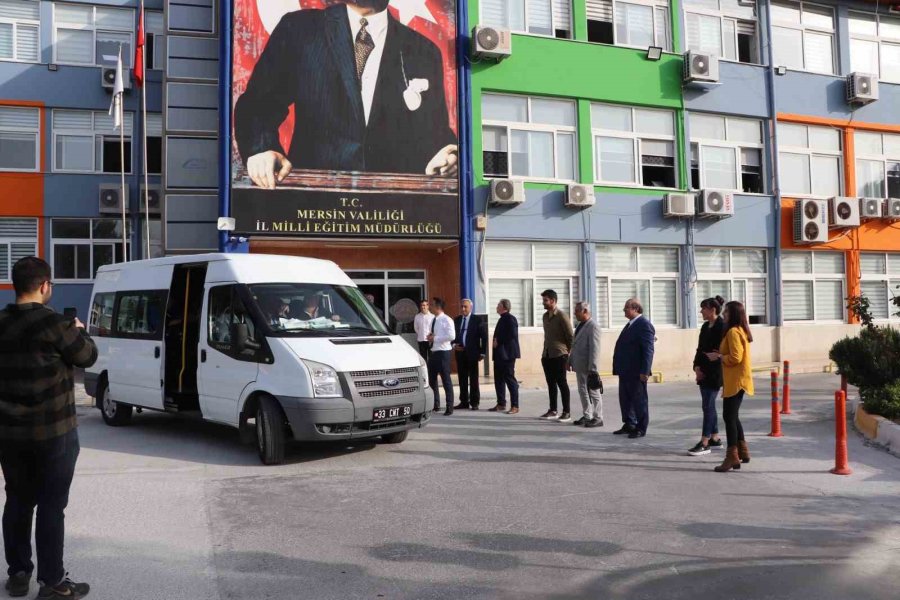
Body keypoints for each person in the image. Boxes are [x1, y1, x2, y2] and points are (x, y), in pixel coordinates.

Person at [234, 0, 458, 189]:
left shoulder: (423, 51)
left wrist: (447, 155)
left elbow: (432, 132)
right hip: (311, 203)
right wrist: (262, 149)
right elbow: (259, 106)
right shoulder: (300, 30)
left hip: (392, 210)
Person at [0, 257, 98, 599]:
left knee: (17, 501)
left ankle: (18, 574)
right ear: (45, 286)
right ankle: (53, 582)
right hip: (54, 433)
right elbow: (87, 357)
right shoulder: (56, 324)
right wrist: (81, 331)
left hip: (10, 435)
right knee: (51, 506)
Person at [707, 301, 754, 472]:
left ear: (733, 314)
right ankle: (743, 450)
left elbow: (735, 357)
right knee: (733, 416)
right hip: (738, 379)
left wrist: (719, 357)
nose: (724, 314)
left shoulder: (734, 332)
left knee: (729, 417)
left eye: (726, 312)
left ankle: (731, 456)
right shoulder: (740, 330)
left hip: (736, 380)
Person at [611, 298, 656, 439]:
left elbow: (648, 350)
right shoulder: (630, 325)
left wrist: (645, 370)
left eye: (626, 308)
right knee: (626, 399)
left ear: (635, 308)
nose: (624, 311)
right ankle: (629, 423)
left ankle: (641, 427)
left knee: (639, 400)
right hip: (626, 370)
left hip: (637, 371)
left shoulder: (644, 325)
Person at [688, 296, 726, 456]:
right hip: (703, 372)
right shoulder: (705, 327)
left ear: (712, 310)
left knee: (707, 406)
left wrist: (718, 356)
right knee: (708, 405)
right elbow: (700, 349)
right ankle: (715, 438)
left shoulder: (723, 326)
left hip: (716, 372)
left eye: (703, 308)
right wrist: (696, 367)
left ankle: (704, 442)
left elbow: (725, 351)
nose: (701, 311)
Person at [538, 290, 575, 422]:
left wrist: (570, 356)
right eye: (543, 300)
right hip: (547, 355)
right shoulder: (545, 316)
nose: (543, 302)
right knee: (551, 384)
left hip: (560, 355)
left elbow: (571, 337)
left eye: (546, 300)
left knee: (562, 383)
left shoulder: (561, 316)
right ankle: (553, 410)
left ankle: (566, 412)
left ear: (553, 301)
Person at [568, 301, 603, 428]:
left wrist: (593, 368)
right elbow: (575, 344)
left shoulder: (593, 326)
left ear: (585, 311)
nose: (575, 313)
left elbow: (595, 349)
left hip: (589, 366)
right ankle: (587, 415)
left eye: (577, 311)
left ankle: (598, 417)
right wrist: (570, 360)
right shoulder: (580, 325)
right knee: (582, 390)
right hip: (580, 364)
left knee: (593, 391)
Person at [453, 299, 488, 410]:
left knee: (473, 379)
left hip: (473, 354)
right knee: (462, 379)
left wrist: (483, 352)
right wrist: (454, 345)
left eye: (465, 307)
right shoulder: (457, 320)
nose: (463, 309)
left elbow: (484, 337)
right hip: (460, 353)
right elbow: (452, 336)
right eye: (462, 306)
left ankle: (474, 402)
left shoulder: (477, 320)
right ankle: (464, 401)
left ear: (470, 308)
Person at [489, 299, 521, 415]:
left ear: (504, 307)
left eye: (498, 305)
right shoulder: (502, 319)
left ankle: (515, 405)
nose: (496, 307)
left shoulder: (510, 318)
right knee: (499, 379)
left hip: (507, 355)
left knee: (509, 379)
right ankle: (501, 403)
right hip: (499, 355)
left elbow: (512, 334)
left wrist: (499, 341)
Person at [426, 297, 455, 415]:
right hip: (434, 351)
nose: (430, 307)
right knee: (432, 379)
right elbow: (436, 334)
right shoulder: (434, 319)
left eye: (432, 305)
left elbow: (452, 336)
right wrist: (431, 337)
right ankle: (435, 404)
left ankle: (449, 406)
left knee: (446, 380)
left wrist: (436, 338)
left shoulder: (447, 319)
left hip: (443, 353)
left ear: (438, 307)